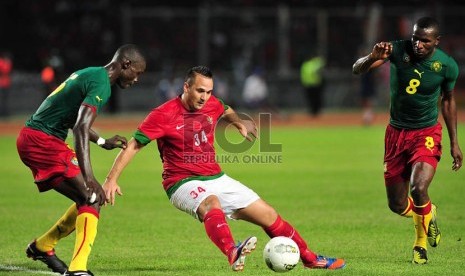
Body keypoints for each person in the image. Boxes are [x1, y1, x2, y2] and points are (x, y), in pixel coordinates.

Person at [102, 65, 345, 272]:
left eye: (208, 92)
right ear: (186, 87)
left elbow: (225, 108)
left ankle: (311, 259)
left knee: (269, 216)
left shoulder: (211, 104)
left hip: (216, 177)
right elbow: (133, 145)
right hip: (181, 182)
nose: (204, 97)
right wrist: (111, 180)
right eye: (199, 90)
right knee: (211, 204)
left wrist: (238, 123)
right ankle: (232, 250)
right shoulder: (163, 114)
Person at [16, 44, 146, 276]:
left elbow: (70, 116)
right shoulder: (101, 84)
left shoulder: (91, 73)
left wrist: (103, 141)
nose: (137, 79)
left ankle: (43, 246)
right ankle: (77, 269)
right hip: (42, 142)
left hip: (35, 139)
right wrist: (89, 178)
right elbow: (80, 128)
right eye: (137, 73)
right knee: (91, 195)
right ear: (126, 64)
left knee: (88, 198)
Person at [352, 17, 463, 264]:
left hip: (426, 134)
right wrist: (372, 56)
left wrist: (455, 142)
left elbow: (448, 101)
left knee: (419, 188)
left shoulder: (447, 66)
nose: (419, 44)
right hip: (395, 135)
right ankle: (427, 212)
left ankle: (420, 244)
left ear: (437, 41)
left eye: (425, 40)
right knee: (397, 204)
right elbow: (357, 69)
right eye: (416, 38)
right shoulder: (396, 49)